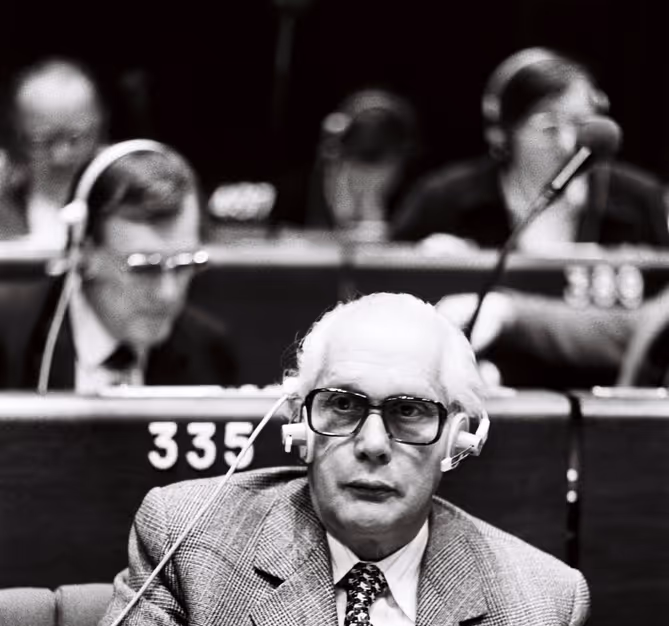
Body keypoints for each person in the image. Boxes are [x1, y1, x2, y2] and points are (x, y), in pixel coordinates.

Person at [63, 292, 591, 626]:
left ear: (457, 439)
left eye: (410, 412)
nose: (373, 443)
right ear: (299, 427)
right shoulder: (191, 540)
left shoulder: (543, 604)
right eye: (344, 405)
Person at [0, 144, 238, 390]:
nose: (168, 293)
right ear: (83, 253)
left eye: (185, 264)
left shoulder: (209, 351)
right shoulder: (8, 336)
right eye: (145, 268)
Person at [391, 48, 669, 250]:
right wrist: (424, 261)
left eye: (581, 123)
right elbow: (382, 289)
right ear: (502, 131)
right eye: (548, 127)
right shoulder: (442, 197)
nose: (567, 142)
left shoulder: (640, 197)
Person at [272, 89, 422, 240]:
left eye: (380, 133)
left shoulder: (419, 189)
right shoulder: (312, 181)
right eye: (362, 132)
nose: (370, 139)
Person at [0, 58, 107, 247]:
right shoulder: (5, 189)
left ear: (98, 127)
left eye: (75, 137)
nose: (60, 156)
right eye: (41, 140)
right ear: (18, 134)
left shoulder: (123, 186)